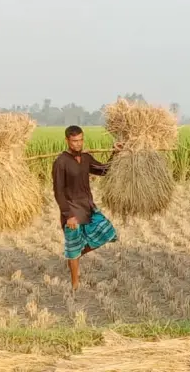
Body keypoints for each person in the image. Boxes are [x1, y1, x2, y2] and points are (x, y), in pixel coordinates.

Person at [52, 125, 119, 291]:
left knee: (108, 232)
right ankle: (75, 284)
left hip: (88, 206)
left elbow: (104, 170)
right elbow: (58, 191)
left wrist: (115, 152)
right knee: (73, 246)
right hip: (72, 210)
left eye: (81, 140)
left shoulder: (86, 158)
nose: (78, 144)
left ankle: (75, 255)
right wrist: (68, 215)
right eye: (74, 141)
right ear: (67, 140)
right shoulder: (61, 162)